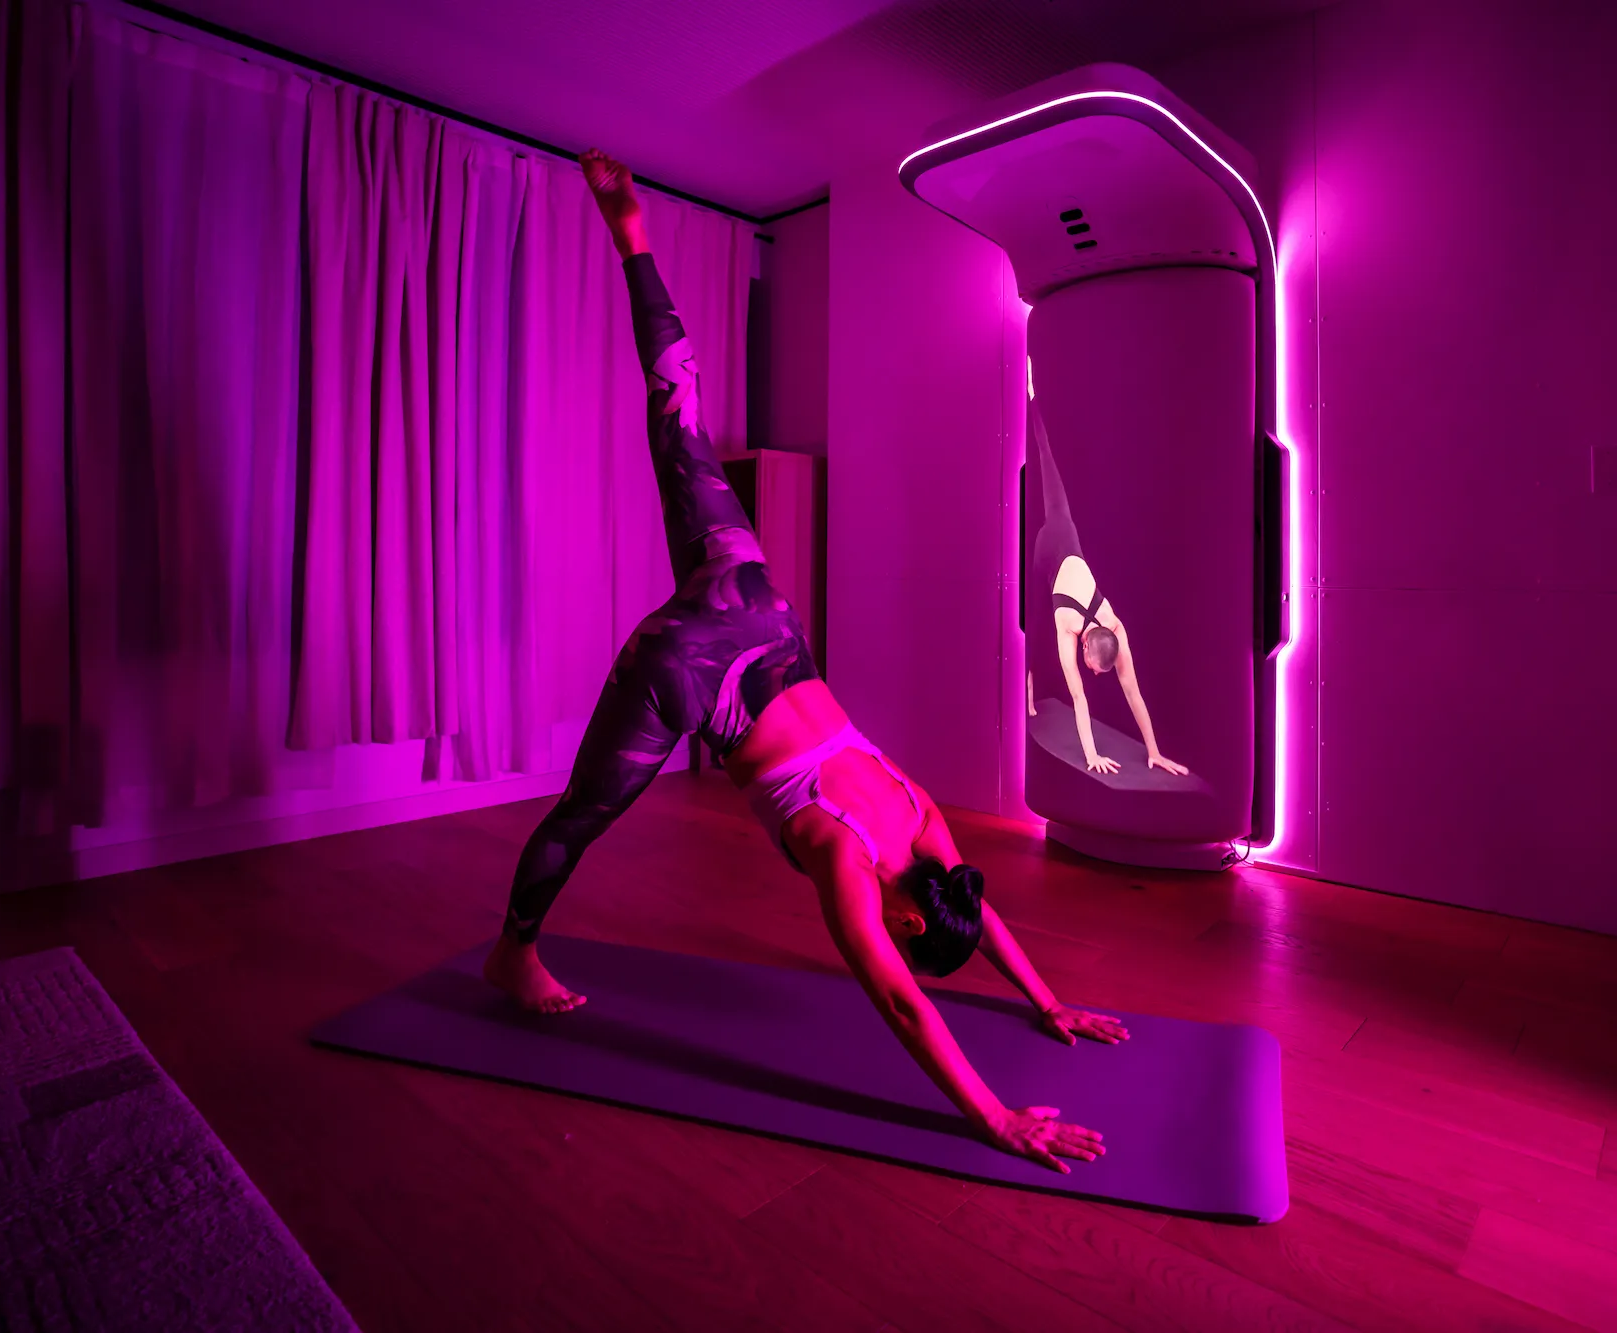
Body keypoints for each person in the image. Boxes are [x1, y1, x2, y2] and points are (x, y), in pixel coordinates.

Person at [482, 150, 1125, 1175]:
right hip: (689, 668)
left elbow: (976, 905)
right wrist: (995, 1117)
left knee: (675, 415)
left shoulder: (922, 819)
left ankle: (632, 235)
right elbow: (900, 1001)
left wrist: (1047, 1002)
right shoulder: (844, 857)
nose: (899, 931)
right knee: (579, 815)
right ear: (908, 910)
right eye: (908, 927)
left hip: (757, 609)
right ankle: (510, 949)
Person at [1025, 404, 1190, 778]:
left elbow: (1133, 693)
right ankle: (1034, 399)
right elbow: (1079, 699)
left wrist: (1155, 752)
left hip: (1069, 552)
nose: (1096, 676)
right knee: (1047, 461)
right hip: (1050, 547)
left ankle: (1035, 401)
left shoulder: (1115, 628)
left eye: (1098, 670)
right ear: (1085, 645)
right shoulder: (1067, 628)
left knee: (1051, 472)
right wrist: (1091, 756)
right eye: (1095, 668)